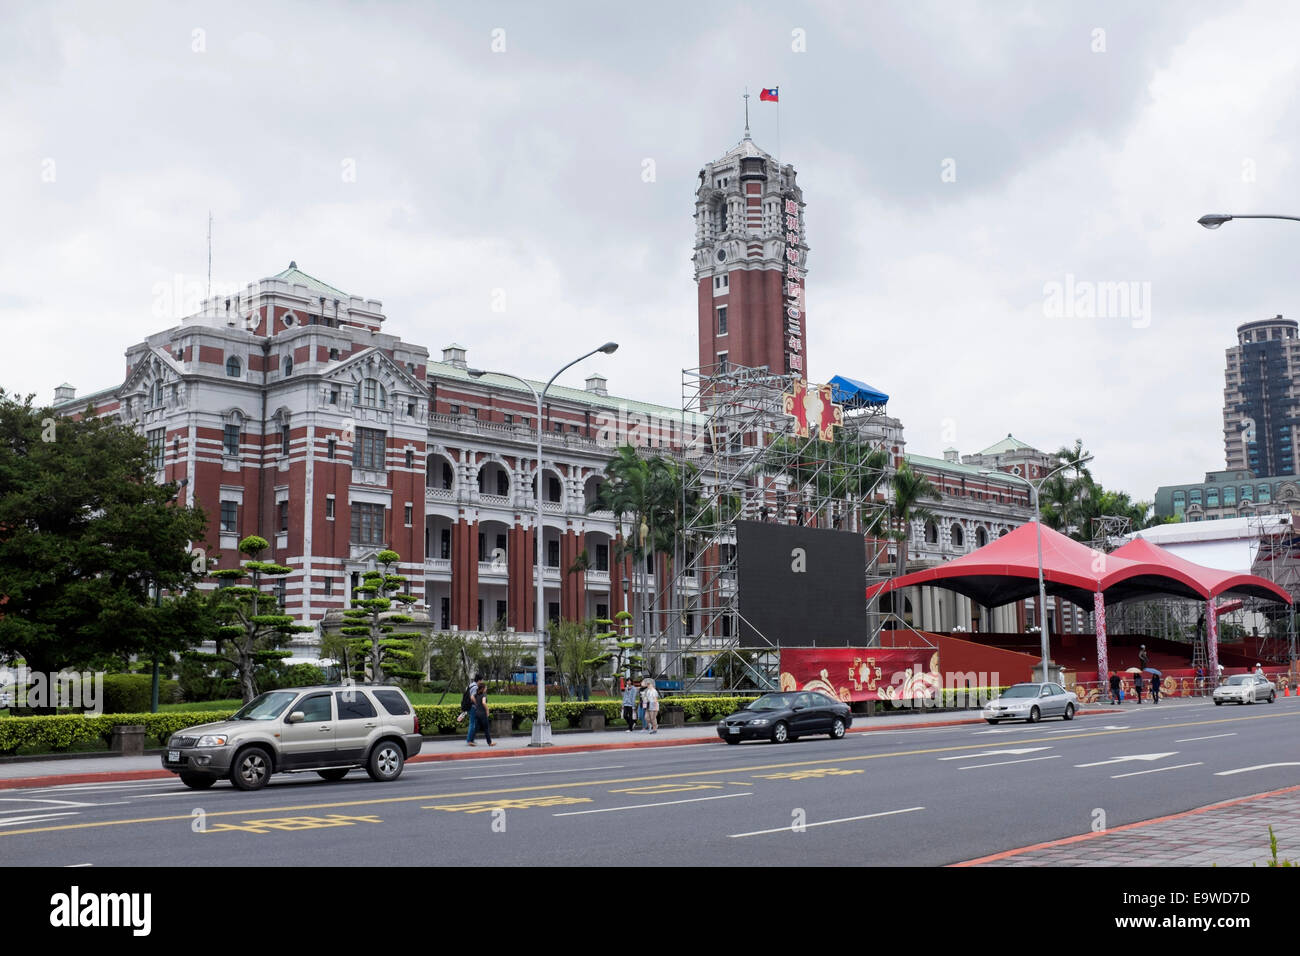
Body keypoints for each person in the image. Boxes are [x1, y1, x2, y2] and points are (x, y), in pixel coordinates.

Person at [473, 679, 495, 747]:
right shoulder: (484, 695)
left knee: (476, 728)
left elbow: (472, 697)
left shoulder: (476, 694)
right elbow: (483, 702)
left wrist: (476, 704)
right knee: (486, 729)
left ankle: (471, 740)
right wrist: (487, 710)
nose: (486, 689)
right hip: (482, 714)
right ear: (482, 688)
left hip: (477, 713)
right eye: (485, 687)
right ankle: (489, 742)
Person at [464, 673, 483, 746]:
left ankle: (471, 739)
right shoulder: (475, 687)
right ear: (479, 680)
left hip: (469, 706)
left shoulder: (470, 685)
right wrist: (477, 704)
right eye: (481, 680)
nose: (482, 682)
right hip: (472, 707)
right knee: (472, 724)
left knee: (473, 723)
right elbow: (472, 697)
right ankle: (469, 740)